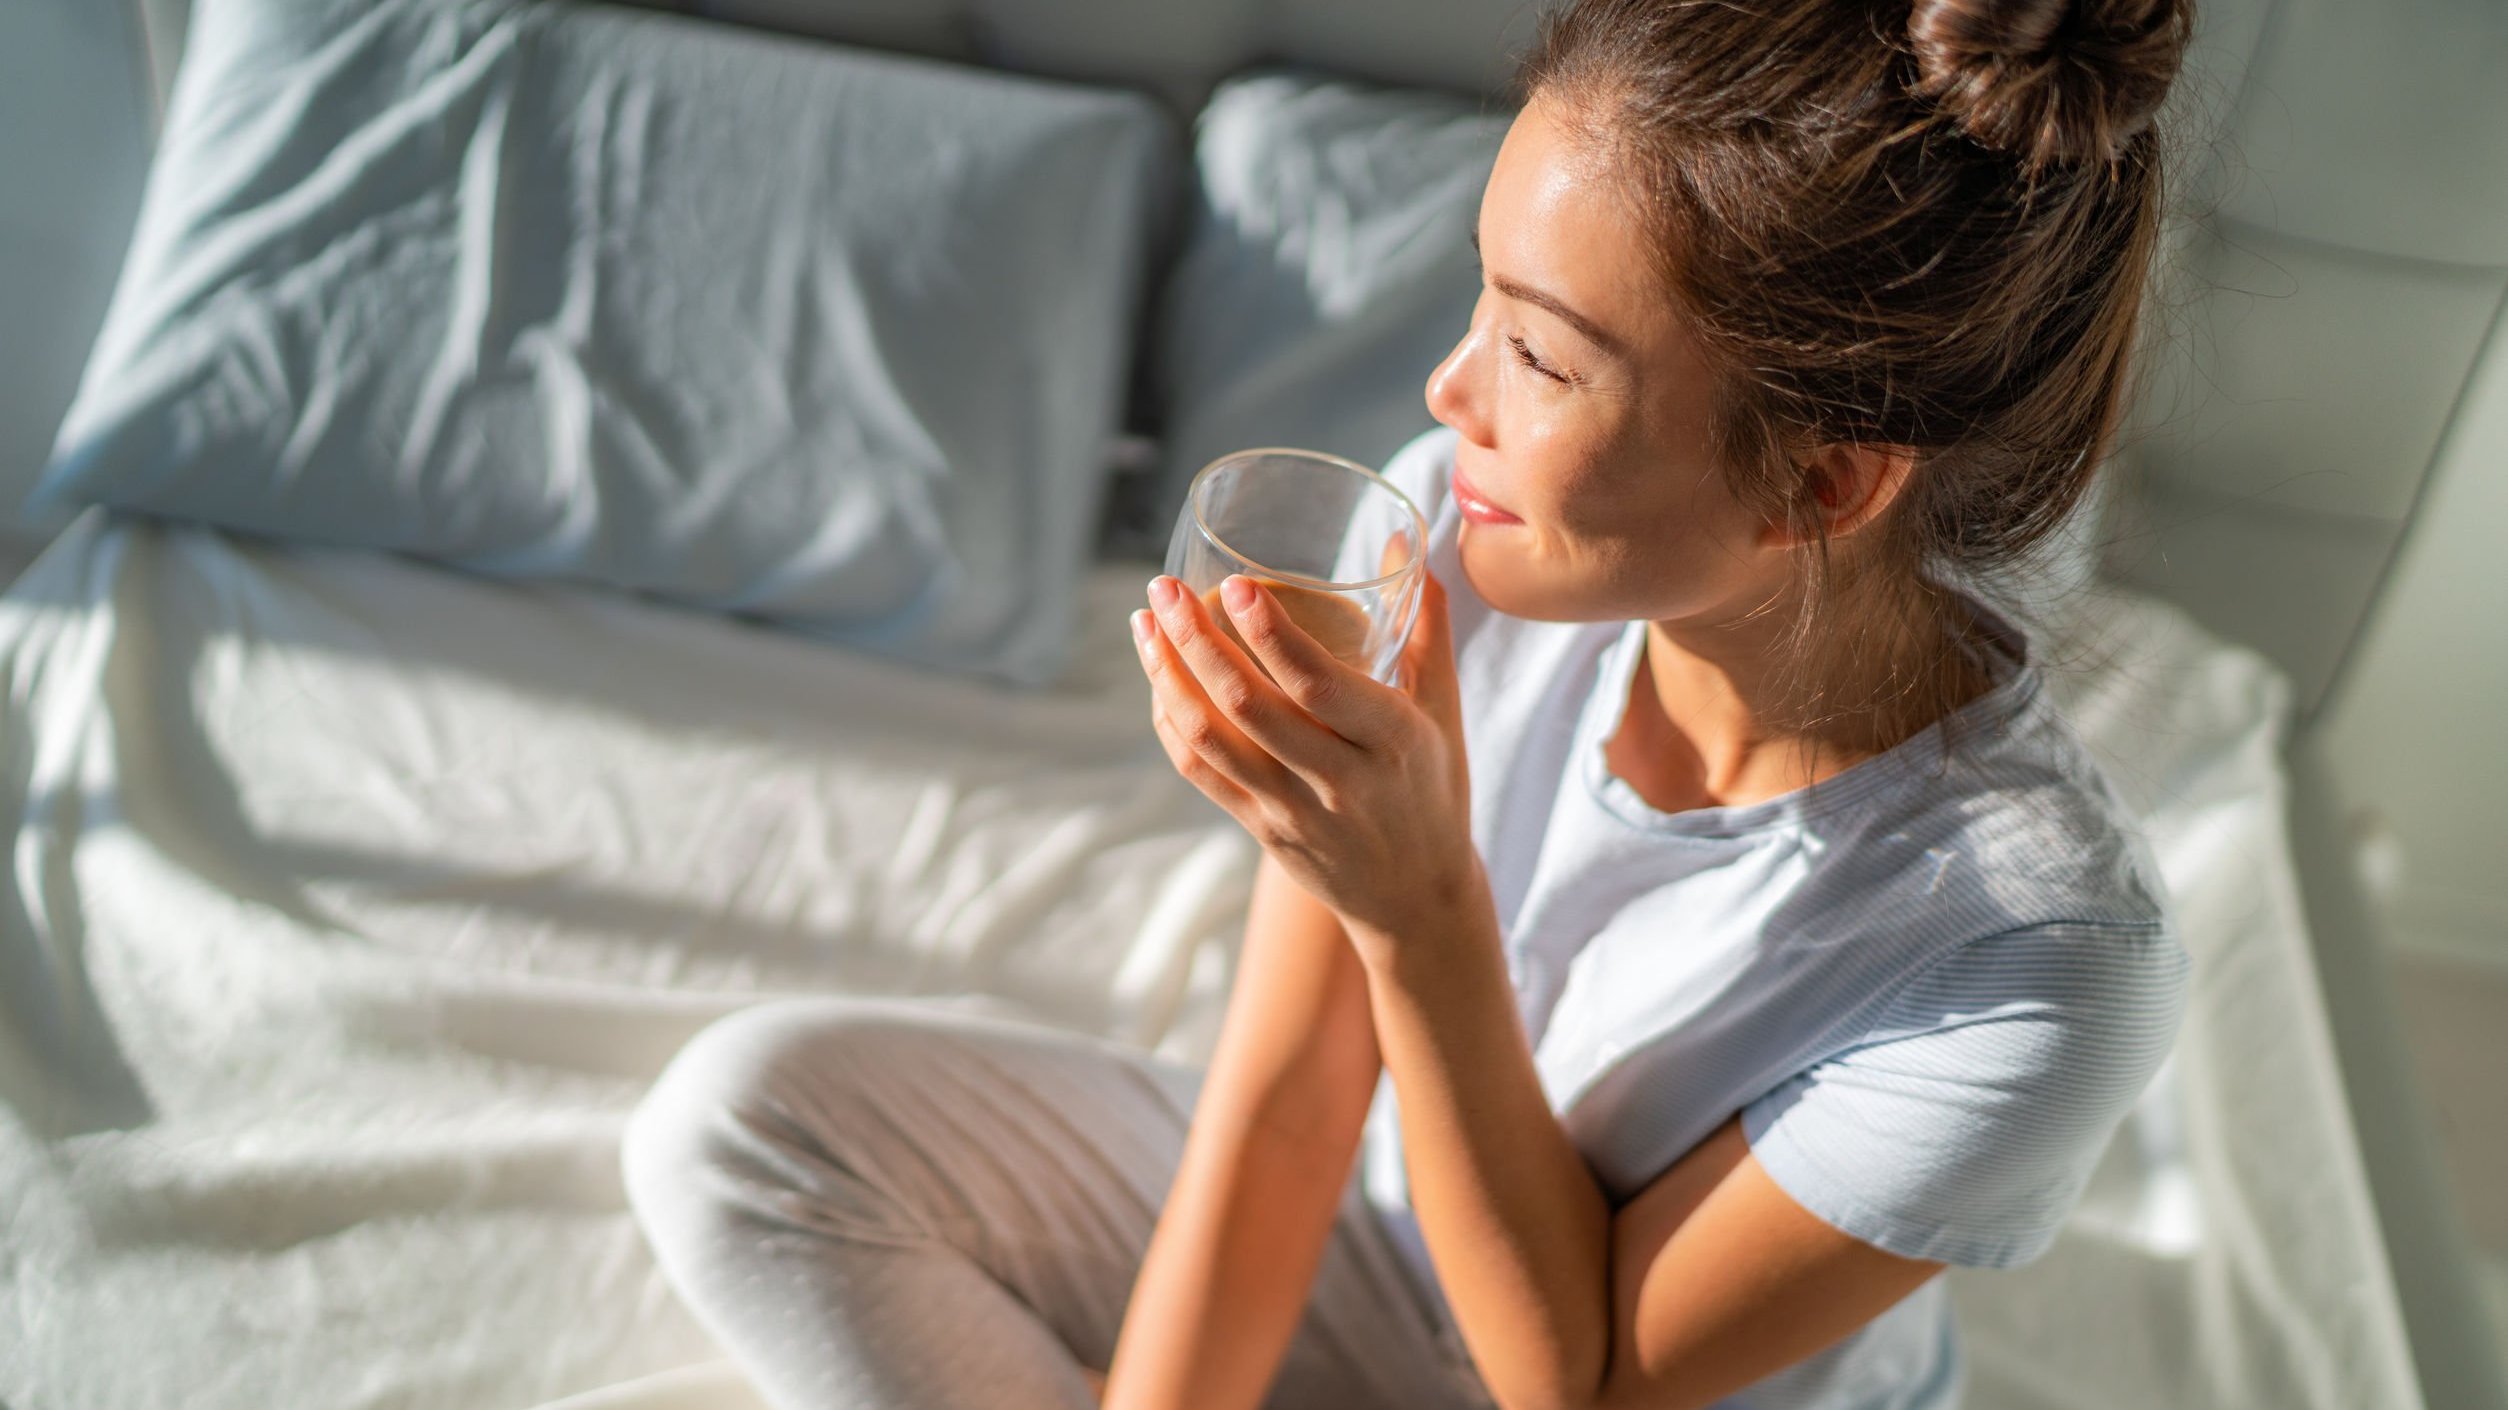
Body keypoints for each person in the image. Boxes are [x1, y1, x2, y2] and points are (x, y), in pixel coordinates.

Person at [617, 0, 2197, 1406]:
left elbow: (1574, 1377)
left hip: (1587, 1368)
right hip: (1390, 1238)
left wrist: (1420, 905)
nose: (1451, 395)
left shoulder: (2036, 961)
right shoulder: (1438, 528)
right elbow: (1292, 1102)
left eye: (1539, 355)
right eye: (1480, 301)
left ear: (1823, 479)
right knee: (743, 1135)